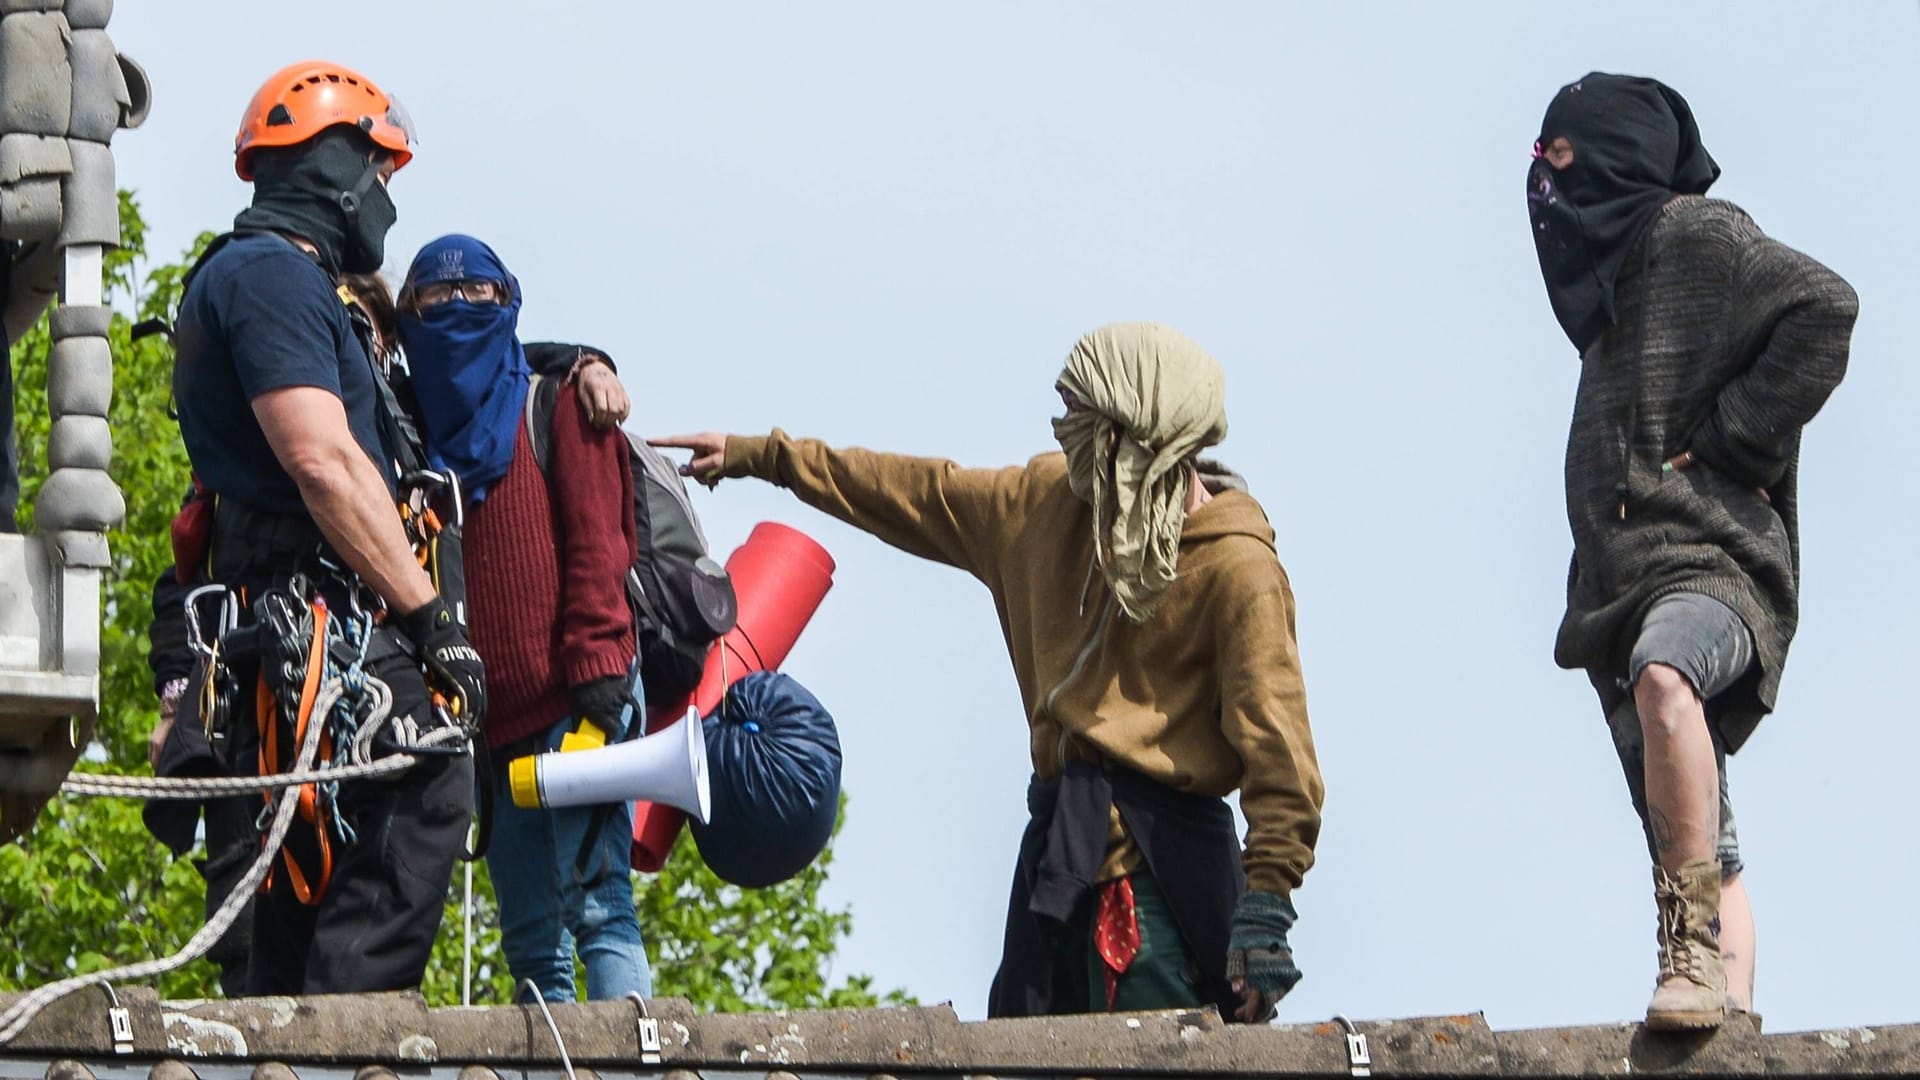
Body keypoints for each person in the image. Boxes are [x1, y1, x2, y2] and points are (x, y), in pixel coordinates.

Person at [654, 322, 1322, 1023]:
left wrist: (1265, 912)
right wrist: (764, 457)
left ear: (1131, 431)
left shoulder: (1239, 570)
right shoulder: (1041, 506)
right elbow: (916, 491)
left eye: (1078, 415)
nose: (1061, 431)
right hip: (1058, 866)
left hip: (1165, 886)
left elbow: (1282, 761)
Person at [144, 268, 630, 995]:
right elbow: (186, 581)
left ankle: (345, 1038)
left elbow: (486, 357)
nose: (361, 344)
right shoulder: (266, 441)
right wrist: (178, 695)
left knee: (387, 899)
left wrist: (585, 361)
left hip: (367, 706)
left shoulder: (394, 421)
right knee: (260, 938)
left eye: (370, 331)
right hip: (269, 700)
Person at [1526, 73, 1856, 1029]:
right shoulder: (1609, 281)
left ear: (1617, 155)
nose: (1544, 181)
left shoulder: (1693, 237)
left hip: (1714, 568)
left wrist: (1731, 444)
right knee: (1704, 838)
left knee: (1669, 676)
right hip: (1617, 592)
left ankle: (1692, 964)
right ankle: (1731, 1022)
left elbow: (1824, 307)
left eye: (1559, 155)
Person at [168, 59, 486, 995]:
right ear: (339, 170)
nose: (387, 199)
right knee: (425, 777)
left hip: (295, 638)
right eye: (381, 174)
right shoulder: (269, 277)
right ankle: (351, 1050)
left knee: (304, 878)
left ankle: (297, 1045)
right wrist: (433, 621)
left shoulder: (278, 281)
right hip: (321, 628)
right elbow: (323, 460)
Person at [396, 234, 651, 1002]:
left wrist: (601, 682)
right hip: (490, 731)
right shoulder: (414, 434)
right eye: (435, 299)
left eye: (477, 293)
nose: (458, 309)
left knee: (602, 913)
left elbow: (598, 548)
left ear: (506, 303)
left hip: (576, 708)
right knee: (531, 944)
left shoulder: (561, 403)